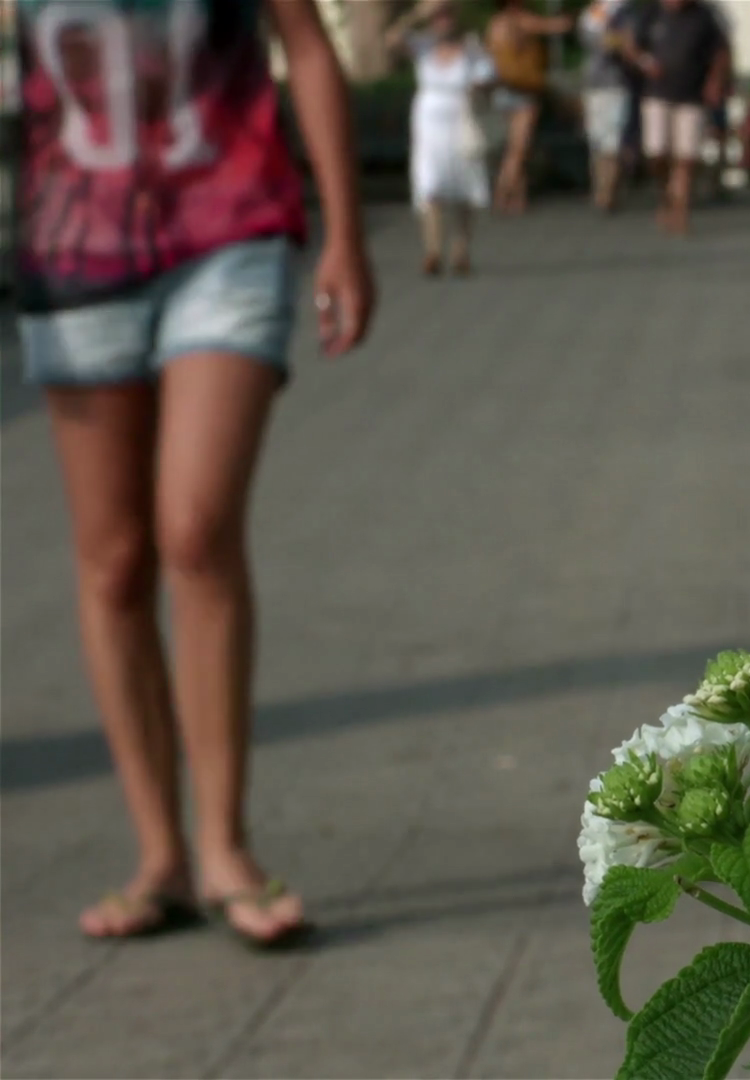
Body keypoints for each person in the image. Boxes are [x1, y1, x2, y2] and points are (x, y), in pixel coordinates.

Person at [13, 0, 375, 945]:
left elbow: (306, 46)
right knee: (115, 562)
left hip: (231, 229)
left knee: (196, 528)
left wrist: (346, 230)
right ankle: (159, 856)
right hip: (73, 245)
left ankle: (223, 846)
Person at [389, 0, 495, 274]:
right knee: (430, 185)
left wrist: (480, 87)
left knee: (464, 186)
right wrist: (416, 14)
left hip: (462, 120)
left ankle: (461, 250)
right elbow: (391, 40)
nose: (443, 20)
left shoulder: (472, 48)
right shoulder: (422, 44)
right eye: (438, 15)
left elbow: (489, 79)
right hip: (429, 124)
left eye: (447, 14)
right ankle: (433, 251)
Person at [633, 0, 728, 234]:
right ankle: (665, 196)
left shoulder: (703, 16)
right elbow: (632, 44)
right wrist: (645, 62)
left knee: (686, 157)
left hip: (692, 95)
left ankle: (681, 211)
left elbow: (720, 52)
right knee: (657, 152)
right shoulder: (651, 13)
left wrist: (715, 82)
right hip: (657, 93)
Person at [486, 0, 572, 215]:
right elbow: (556, 26)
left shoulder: (494, 23)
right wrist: (567, 17)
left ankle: (518, 198)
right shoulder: (521, 20)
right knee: (518, 149)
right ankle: (502, 195)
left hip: (503, 89)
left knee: (517, 147)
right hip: (523, 91)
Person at [577, 0, 639, 213]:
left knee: (611, 142)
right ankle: (602, 190)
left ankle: (607, 193)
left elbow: (627, 43)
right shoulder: (595, 11)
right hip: (595, 83)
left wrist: (614, 40)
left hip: (615, 84)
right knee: (597, 141)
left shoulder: (623, 11)